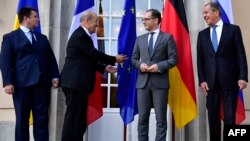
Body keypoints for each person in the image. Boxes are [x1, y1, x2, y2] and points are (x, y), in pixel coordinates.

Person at [60, 11, 126, 141]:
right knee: (73, 119)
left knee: (79, 120)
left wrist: (104, 67)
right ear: (87, 21)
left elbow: (87, 59)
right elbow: (93, 53)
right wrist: (114, 59)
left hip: (79, 84)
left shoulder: (84, 36)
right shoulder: (80, 35)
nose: (97, 25)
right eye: (96, 21)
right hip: (75, 83)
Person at [0, 7, 59, 141]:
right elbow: (5, 61)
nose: (37, 19)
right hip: (21, 86)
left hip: (42, 85)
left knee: (42, 120)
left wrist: (55, 76)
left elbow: (50, 58)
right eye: (35, 17)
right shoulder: (10, 38)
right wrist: (8, 82)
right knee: (22, 120)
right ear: (26, 19)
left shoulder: (42, 38)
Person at [197, 2, 248, 141]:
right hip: (210, 84)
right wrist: (202, 80)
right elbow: (200, 61)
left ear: (216, 13)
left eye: (206, 12)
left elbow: (241, 55)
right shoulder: (202, 35)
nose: (204, 16)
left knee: (230, 118)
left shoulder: (233, 30)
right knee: (213, 119)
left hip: (230, 81)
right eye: (203, 13)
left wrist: (243, 77)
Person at [131, 9, 178, 141]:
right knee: (142, 119)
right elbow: (133, 58)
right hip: (143, 84)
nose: (143, 21)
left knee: (161, 119)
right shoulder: (140, 39)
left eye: (146, 19)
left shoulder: (168, 38)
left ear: (156, 20)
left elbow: (174, 59)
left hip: (160, 84)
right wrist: (140, 65)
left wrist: (159, 66)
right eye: (143, 19)